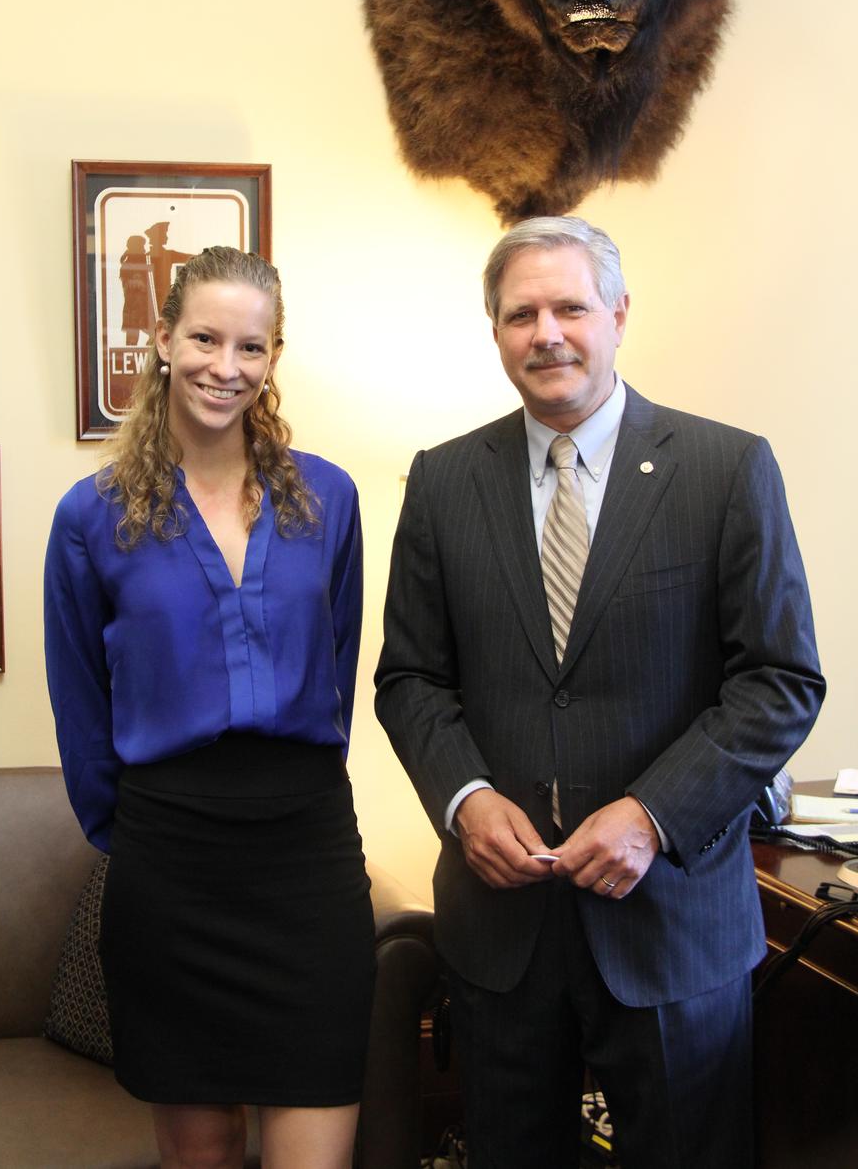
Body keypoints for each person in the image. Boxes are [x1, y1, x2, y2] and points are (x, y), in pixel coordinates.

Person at [375, 216, 823, 1169]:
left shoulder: (726, 469)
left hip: (672, 931)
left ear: (618, 314)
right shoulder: (444, 481)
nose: (547, 333)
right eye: (520, 313)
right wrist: (466, 799)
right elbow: (411, 677)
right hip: (504, 938)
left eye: (570, 306)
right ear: (495, 332)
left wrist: (653, 815)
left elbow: (780, 680)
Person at [45, 246, 374, 1169]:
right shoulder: (91, 515)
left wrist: (297, 786)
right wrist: (141, 833)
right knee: (201, 1158)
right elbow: (79, 702)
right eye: (204, 338)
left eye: (250, 347)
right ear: (161, 340)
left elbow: (337, 664)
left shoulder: (331, 499)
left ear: (274, 359)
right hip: (170, 866)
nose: (225, 367)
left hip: (307, 857)